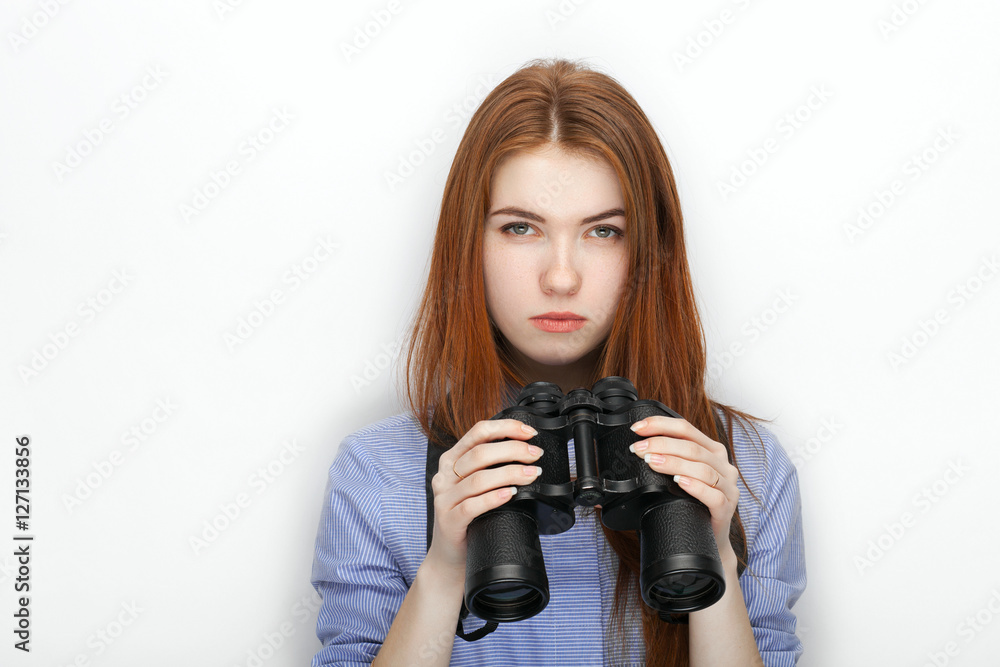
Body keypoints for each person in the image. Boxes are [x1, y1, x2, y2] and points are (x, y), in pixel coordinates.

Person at [310, 57, 806, 667]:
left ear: (649, 251)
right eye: (521, 228)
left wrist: (716, 560)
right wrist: (443, 569)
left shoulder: (743, 464)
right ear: (470, 244)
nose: (562, 277)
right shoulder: (379, 472)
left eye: (603, 232)